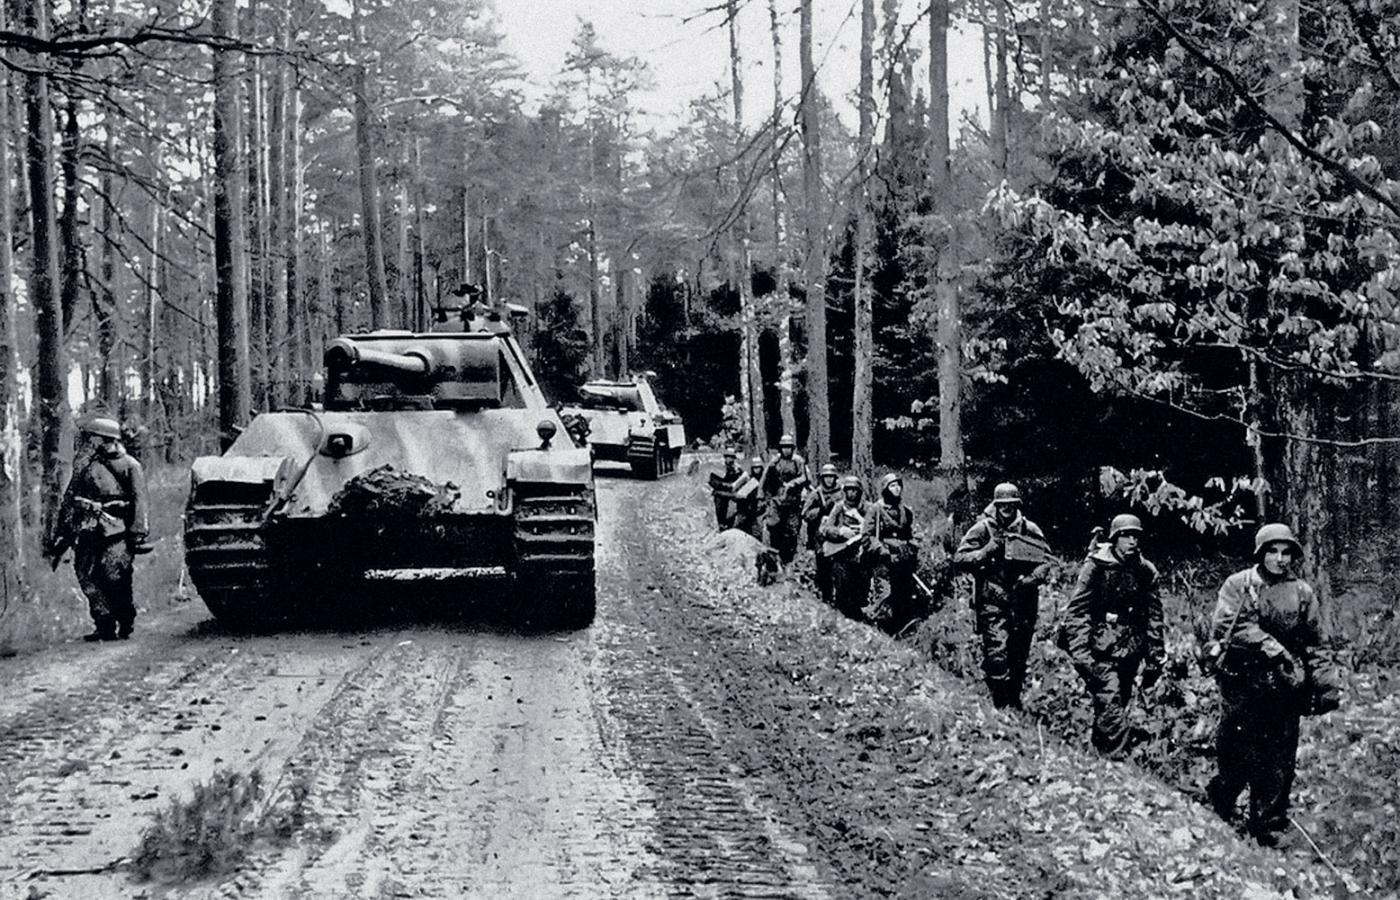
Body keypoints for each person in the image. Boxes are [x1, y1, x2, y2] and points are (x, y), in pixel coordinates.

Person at [1206, 523, 1322, 847]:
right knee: (1236, 751)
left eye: (1286, 552)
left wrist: (1321, 685)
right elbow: (1229, 627)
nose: (1280, 559)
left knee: (1279, 758)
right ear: (1261, 554)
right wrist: (1271, 647)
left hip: (1283, 685)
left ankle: (1268, 825)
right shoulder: (1240, 585)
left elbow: (1314, 642)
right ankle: (1221, 803)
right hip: (1242, 682)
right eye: (1273, 551)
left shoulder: (1302, 593)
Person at [1063, 513, 1165, 757]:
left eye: (1136, 536)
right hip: (1099, 644)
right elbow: (1077, 611)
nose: (1132, 541)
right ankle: (1115, 760)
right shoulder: (1096, 566)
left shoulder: (1146, 571)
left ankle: (1099, 755)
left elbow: (1154, 617)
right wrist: (1080, 652)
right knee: (1109, 697)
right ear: (1115, 538)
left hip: (1130, 646)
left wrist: (1155, 656)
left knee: (1119, 699)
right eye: (1126, 536)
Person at [45, 417, 151, 642]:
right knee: (86, 575)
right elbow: (69, 499)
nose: (88, 442)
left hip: (117, 530)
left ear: (105, 439)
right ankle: (104, 623)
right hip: (88, 528)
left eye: (92, 438)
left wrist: (138, 532)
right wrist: (64, 532)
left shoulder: (130, 465)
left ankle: (125, 620)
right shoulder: (84, 465)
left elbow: (139, 501)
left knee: (115, 575)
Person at [953, 482, 1052, 709]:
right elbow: (960, 558)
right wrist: (985, 550)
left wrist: (1031, 579)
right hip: (993, 599)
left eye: (1011, 504)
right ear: (996, 505)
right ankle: (999, 703)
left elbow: (1047, 561)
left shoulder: (1029, 529)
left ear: (1018, 505)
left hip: (1024, 600)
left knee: (1019, 653)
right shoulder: (983, 529)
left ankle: (1013, 701)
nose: (1007, 508)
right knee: (996, 652)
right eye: (1002, 504)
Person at [862, 473, 921, 633]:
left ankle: (903, 630)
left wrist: (911, 548)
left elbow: (912, 534)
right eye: (892, 486)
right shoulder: (876, 509)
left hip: (902, 559)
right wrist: (881, 550)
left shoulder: (906, 511)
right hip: (883, 561)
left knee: (903, 594)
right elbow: (867, 536)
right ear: (885, 489)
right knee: (884, 594)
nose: (897, 489)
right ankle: (878, 628)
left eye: (898, 485)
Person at [821, 475, 870, 620]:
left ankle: (859, 615)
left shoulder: (867, 508)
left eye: (855, 490)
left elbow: (874, 527)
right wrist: (841, 531)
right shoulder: (839, 507)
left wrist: (862, 527)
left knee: (860, 587)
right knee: (841, 584)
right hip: (841, 553)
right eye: (849, 490)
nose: (852, 494)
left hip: (861, 554)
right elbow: (827, 529)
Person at [761, 434, 809, 565]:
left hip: (793, 500)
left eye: (788, 447)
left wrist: (792, 483)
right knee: (774, 526)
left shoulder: (798, 461)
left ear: (792, 448)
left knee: (791, 530)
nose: (786, 450)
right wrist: (765, 496)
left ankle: (789, 559)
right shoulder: (775, 461)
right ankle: (775, 558)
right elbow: (766, 478)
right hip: (777, 499)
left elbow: (804, 477)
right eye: (784, 447)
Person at [803, 463, 843, 604]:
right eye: (826, 477)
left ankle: (838, 597)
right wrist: (820, 510)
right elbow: (805, 514)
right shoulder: (816, 494)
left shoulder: (841, 493)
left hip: (837, 532)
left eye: (831, 477)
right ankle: (825, 595)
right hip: (820, 534)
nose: (829, 480)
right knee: (823, 565)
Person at [730, 455, 767, 540]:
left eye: (758, 467)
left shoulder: (765, 480)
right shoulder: (747, 478)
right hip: (744, 509)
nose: (757, 470)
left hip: (758, 511)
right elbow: (736, 491)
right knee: (739, 531)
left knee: (757, 533)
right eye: (755, 468)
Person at [708, 447, 745, 530]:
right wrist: (727, 485)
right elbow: (715, 483)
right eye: (728, 457)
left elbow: (737, 480)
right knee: (720, 501)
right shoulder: (718, 467)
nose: (730, 459)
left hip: (728, 492)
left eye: (732, 457)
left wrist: (738, 473)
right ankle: (720, 522)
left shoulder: (734, 468)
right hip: (717, 492)